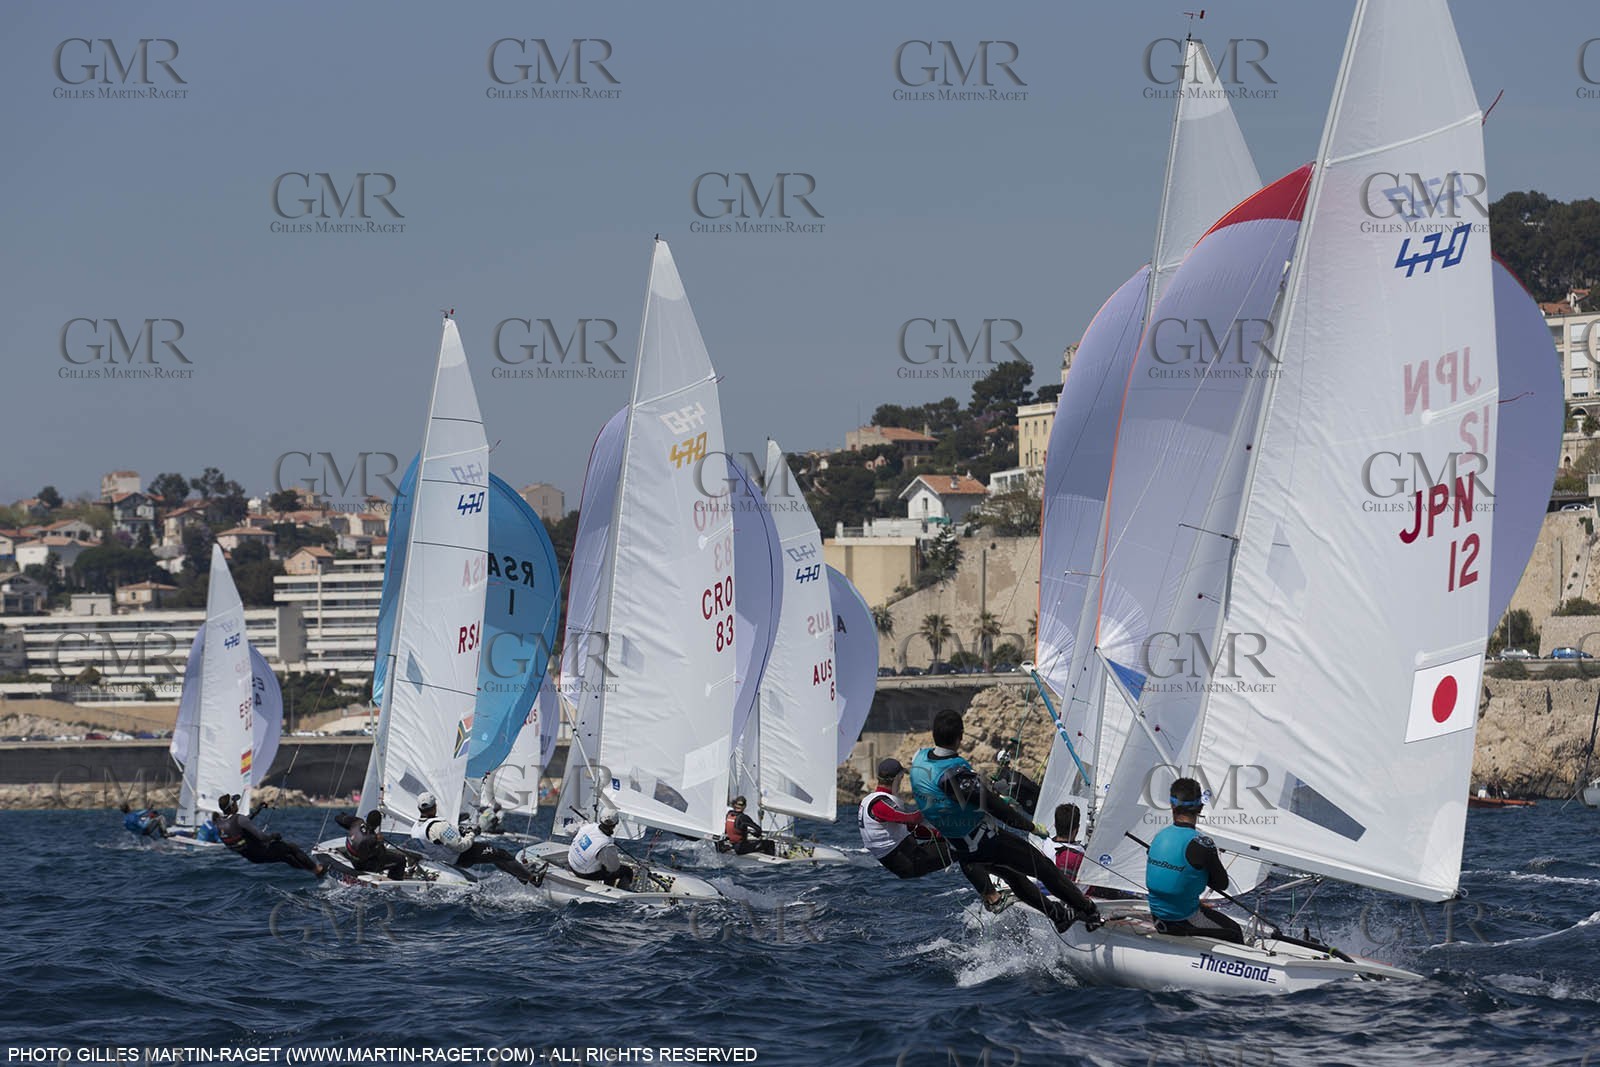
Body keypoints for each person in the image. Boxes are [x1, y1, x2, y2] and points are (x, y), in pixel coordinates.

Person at [910, 709, 1100, 934]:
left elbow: (957, 798)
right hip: (984, 843)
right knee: (1043, 868)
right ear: (960, 736)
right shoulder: (954, 776)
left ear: (934, 735)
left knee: (1013, 875)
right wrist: (1030, 826)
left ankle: (1057, 915)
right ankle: (1088, 910)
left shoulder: (919, 759)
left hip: (961, 847)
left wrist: (984, 788)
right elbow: (996, 808)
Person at [859, 758, 1013, 913]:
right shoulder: (879, 804)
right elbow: (912, 819)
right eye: (901, 778)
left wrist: (943, 834)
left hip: (910, 854)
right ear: (898, 777)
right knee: (964, 849)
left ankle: (996, 883)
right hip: (908, 861)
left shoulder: (873, 801)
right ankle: (993, 898)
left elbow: (913, 828)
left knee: (968, 840)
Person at [1144, 777, 1245, 944]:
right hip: (1182, 921)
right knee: (1234, 932)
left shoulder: (1158, 837)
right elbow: (1221, 884)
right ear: (1200, 808)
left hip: (1158, 917)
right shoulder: (1202, 844)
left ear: (1172, 806)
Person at [414, 792, 541, 885]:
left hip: (449, 860)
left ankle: (521, 875)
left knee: (495, 856)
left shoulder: (416, 827)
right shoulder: (437, 826)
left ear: (419, 808)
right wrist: (472, 833)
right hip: (463, 855)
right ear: (435, 806)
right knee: (502, 854)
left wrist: (461, 830)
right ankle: (532, 878)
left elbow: (440, 840)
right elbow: (461, 846)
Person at [214, 794, 327, 878]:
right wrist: (274, 836)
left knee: (286, 857)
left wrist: (258, 810)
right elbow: (261, 837)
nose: (236, 804)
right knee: (292, 847)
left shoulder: (220, 824)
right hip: (262, 851)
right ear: (232, 806)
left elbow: (240, 824)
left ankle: (315, 872)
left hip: (252, 858)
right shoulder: (239, 819)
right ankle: (317, 870)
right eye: (235, 802)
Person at [334, 808, 409, 881]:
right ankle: (394, 884)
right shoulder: (373, 839)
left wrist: (345, 817)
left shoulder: (357, 822)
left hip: (350, 857)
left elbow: (338, 818)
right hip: (362, 866)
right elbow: (381, 855)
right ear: (378, 824)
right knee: (401, 860)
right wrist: (380, 842)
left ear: (367, 818)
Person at [567, 814, 635, 889]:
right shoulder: (606, 846)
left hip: (571, 863)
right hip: (582, 873)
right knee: (626, 871)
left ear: (600, 820)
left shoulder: (588, 826)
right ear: (615, 824)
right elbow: (613, 868)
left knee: (606, 864)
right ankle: (618, 891)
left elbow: (568, 830)